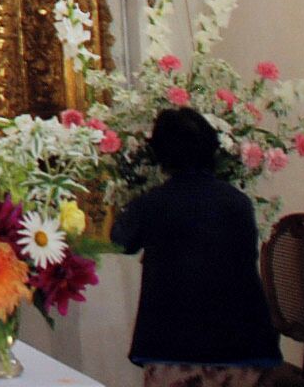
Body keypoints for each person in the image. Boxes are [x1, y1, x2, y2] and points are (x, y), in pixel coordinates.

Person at [112, 108, 283, 387]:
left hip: (173, 347)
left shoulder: (154, 203)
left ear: (161, 156)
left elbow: (121, 239)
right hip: (240, 346)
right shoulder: (238, 203)